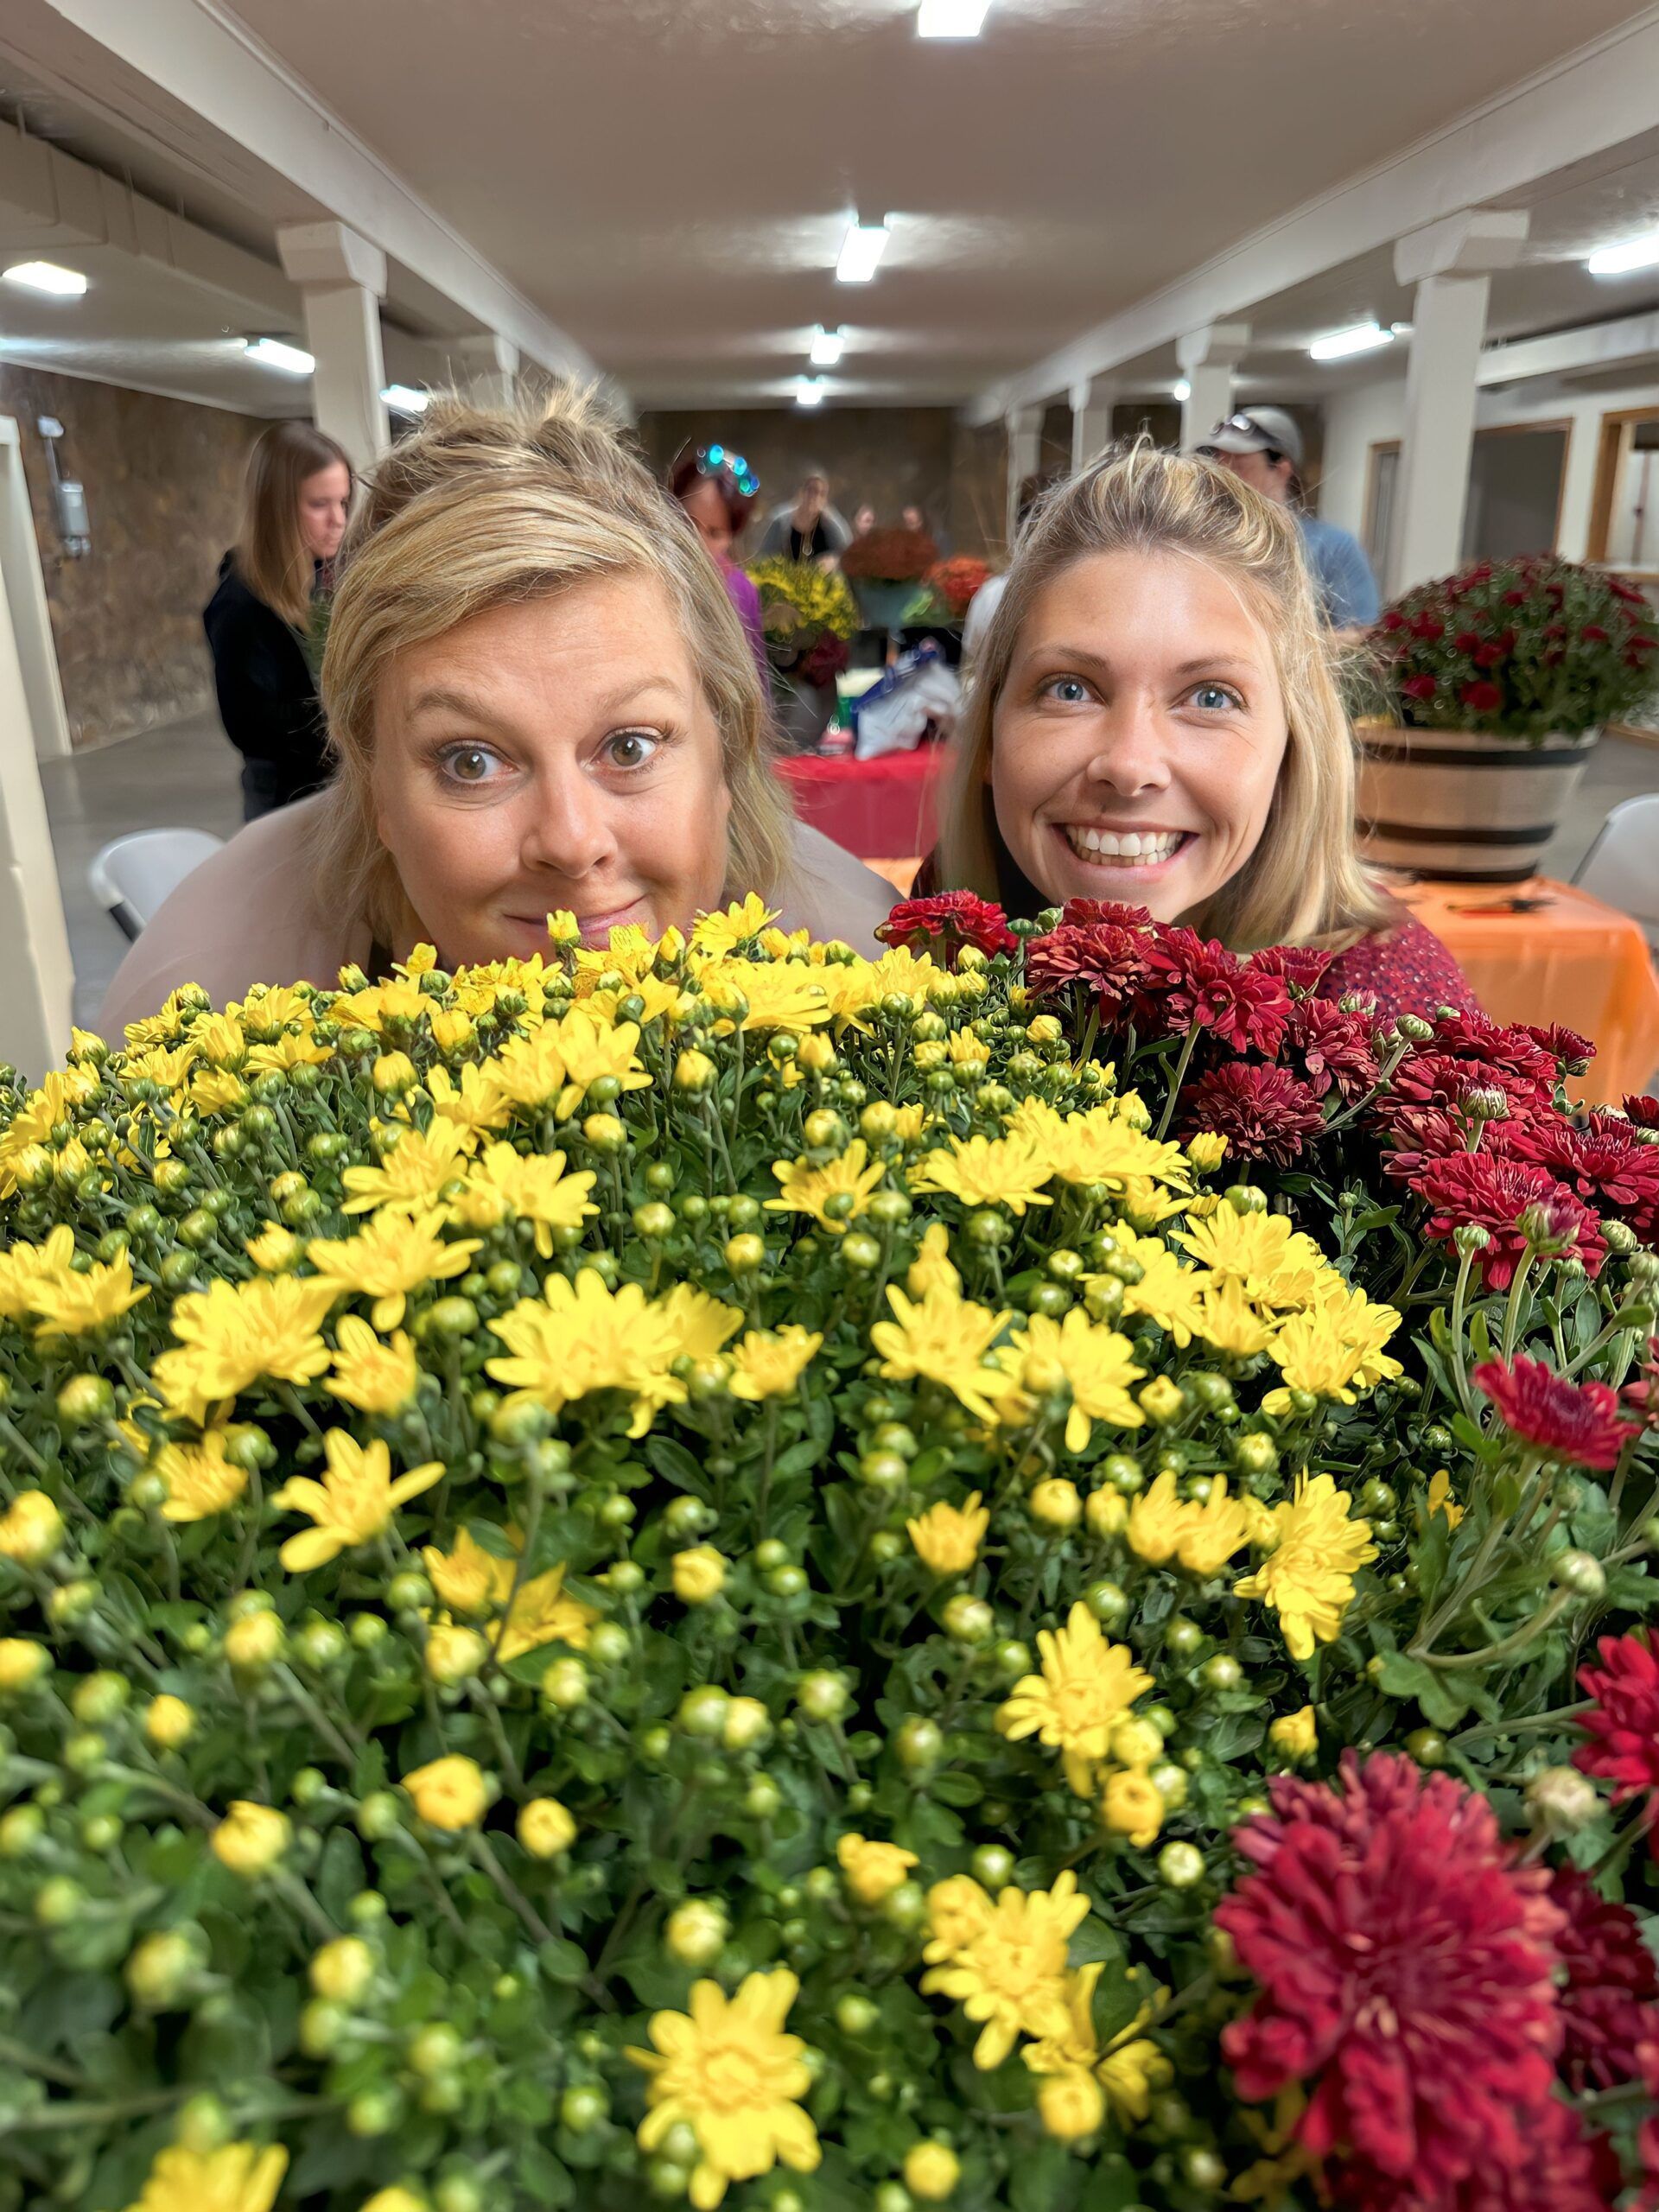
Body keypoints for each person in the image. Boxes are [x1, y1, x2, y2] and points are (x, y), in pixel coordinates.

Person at [99, 391, 897, 1031]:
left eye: (629, 747)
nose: (573, 844)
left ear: (728, 750)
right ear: (374, 786)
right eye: (470, 761)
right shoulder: (206, 1000)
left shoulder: (870, 972)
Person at [921, 439, 1474, 1015]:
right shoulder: (955, 916)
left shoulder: (1391, 1015)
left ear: (1294, 747)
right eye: (1070, 689)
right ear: (989, 735)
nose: (1130, 768)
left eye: (1211, 697)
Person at [204, 421, 353, 821]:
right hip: (290, 802)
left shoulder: (326, 577)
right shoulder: (240, 603)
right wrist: (350, 723)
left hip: (337, 787)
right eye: (319, 504)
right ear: (277, 508)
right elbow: (250, 727)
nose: (337, 519)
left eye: (343, 502)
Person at [1192, 407, 1379, 631]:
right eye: (1220, 462)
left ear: (1282, 468)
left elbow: (1363, 634)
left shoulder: (1331, 547)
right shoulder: (1202, 538)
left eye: (1239, 464)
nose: (1224, 474)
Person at [668, 442, 768, 682]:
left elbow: (756, 684)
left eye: (714, 533)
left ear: (731, 537)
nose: (696, 539)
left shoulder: (741, 592)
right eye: (687, 520)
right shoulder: (646, 575)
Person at [757, 467, 852, 563]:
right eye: (810, 490)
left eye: (820, 493)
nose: (814, 497)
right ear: (801, 492)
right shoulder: (781, 523)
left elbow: (847, 556)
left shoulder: (832, 527)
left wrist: (833, 562)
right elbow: (763, 556)